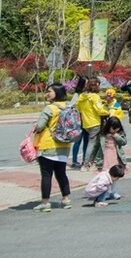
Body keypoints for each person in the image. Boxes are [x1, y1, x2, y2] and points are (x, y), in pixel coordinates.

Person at [31, 83, 73, 211]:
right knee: (61, 174)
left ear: (57, 93)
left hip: (48, 145)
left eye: (50, 91)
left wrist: (35, 127)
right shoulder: (69, 106)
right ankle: (66, 199)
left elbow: (40, 126)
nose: (47, 94)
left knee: (46, 175)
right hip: (65, 145)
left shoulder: (49, 108)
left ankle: (45, 203)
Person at [71, 76, 104, 168]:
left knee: (87, 142)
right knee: (91, 143)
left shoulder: (82, 96)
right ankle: (87, 163)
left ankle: (85, 161)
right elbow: (100, 110)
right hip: (94, 122)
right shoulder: (95, 97)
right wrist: (107, 111)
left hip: (85, 122)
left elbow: (78, 107)